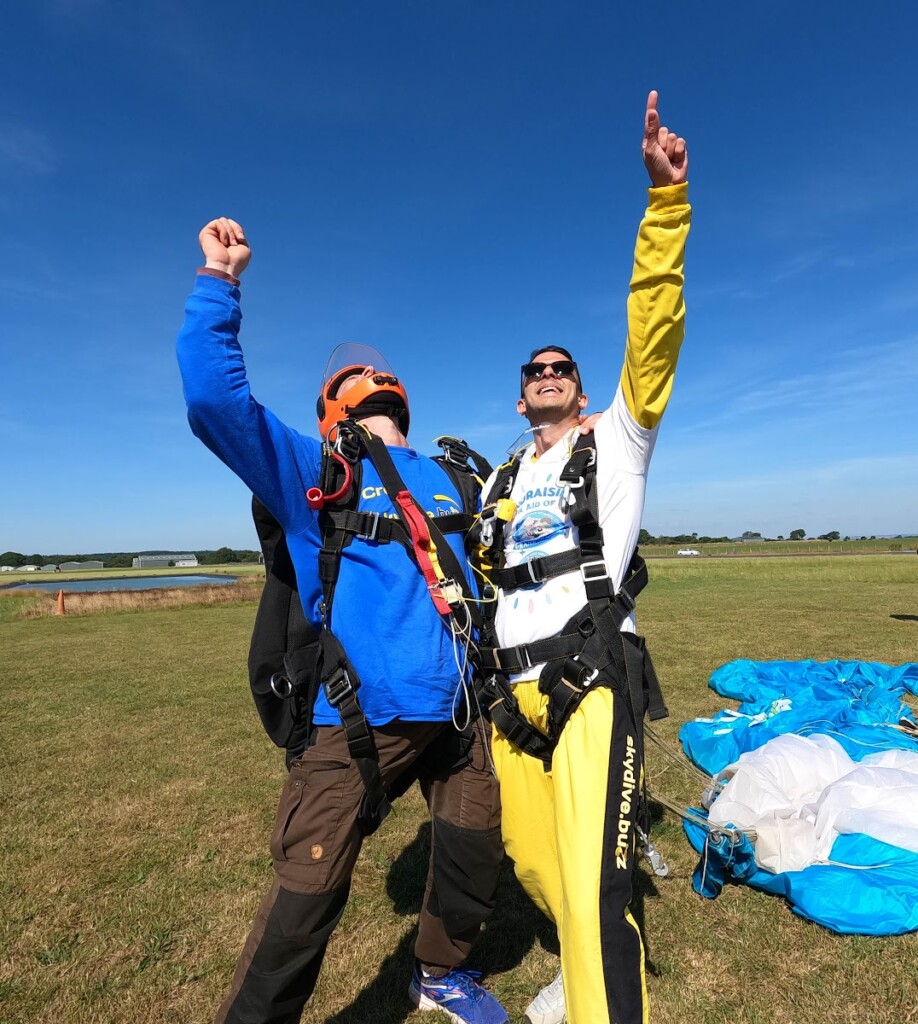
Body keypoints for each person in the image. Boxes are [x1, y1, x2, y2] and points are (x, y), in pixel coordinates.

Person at [176, 227, 506, 1024]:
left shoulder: (457, 475)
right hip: (354, 724)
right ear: (340, 404)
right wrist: (219, 282)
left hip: (459, 717)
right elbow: (215, 403)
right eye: (359, 375)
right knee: (305, 902)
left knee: (471, 848)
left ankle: (438, 972)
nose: (373, 379)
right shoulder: (317, 472)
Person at [474, 91, 691, 1024]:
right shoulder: (499, 479)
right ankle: (574, 962)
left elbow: (654, 334)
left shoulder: (621, 439)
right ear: (521, 397)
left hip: (592, 673)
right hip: (510, 694)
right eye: (536, 371)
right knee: (530, 855)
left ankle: (602, 997)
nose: (551, 375)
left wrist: (664, 207)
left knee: (600, 883)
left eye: (563, 367)